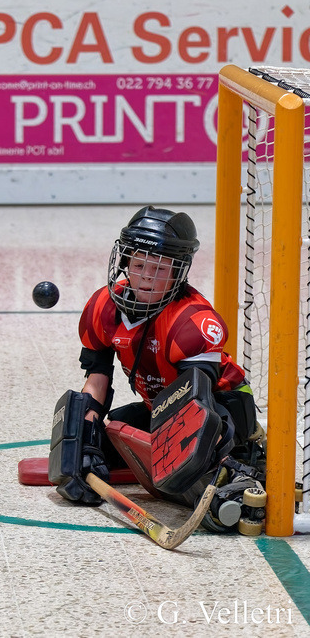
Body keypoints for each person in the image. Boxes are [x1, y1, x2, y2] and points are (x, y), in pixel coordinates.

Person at [48, 206, 266, 532]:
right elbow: (96, 383)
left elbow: (195, 406)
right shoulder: (101, 307)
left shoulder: (192, 320)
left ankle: (239, 463)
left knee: (185, 467)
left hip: (218, 413)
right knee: (111, 430)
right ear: (124, 263)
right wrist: (82, 446)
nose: (147, 276)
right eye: (139, 264)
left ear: (180, 273)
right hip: (162, 408)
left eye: (161, 268)